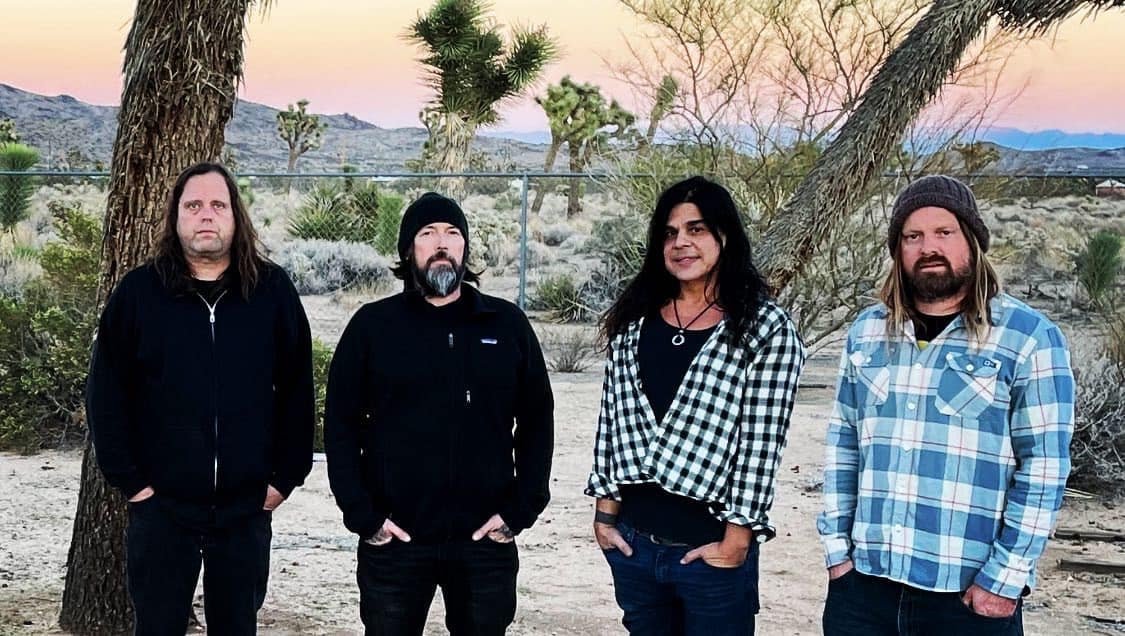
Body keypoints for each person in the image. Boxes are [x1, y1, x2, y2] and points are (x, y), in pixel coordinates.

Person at [818, 175, 1075, 635]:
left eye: (944, 232)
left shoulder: (1028, 337)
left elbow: (1043, 468)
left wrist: (1004, 578)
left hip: (967, 597)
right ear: (898, 249)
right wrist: (838, 553)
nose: (928, 247)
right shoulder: (867, 331)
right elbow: (844, 445)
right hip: (865, 590)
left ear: (972, 241)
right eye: (913, 236)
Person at [87, 162, 315, 635]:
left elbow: (297, 391)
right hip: (161, 507)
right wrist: (133, 483)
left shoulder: (272, 293)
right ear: (175, 218)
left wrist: (284, 479)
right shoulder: (139, 294)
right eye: (193, 205)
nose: (205, 215)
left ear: (235, 217)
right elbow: (106, 394)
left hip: (246, 509)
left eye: (217, 205)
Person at [324, 191, 554, 635]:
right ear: (408, 250)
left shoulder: (506, 325)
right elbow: (340, 424)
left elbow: (537, 420)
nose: (442, 244)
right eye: (427, 234)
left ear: (465, 247)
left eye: (452, 233)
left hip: (484, 541)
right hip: (396, 540)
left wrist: (521, 509)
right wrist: (363, 516)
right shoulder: (373, 327)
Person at [586, 176, 805, 635]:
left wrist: (736, 541)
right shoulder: (635, 318)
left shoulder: (763, 327)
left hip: (710, 552)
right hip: (635, 546)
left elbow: (761, 445)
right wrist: (605, 517)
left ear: (725, 236)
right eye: (669, 233)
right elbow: (612, 422)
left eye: (696, 229)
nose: (681, 243)